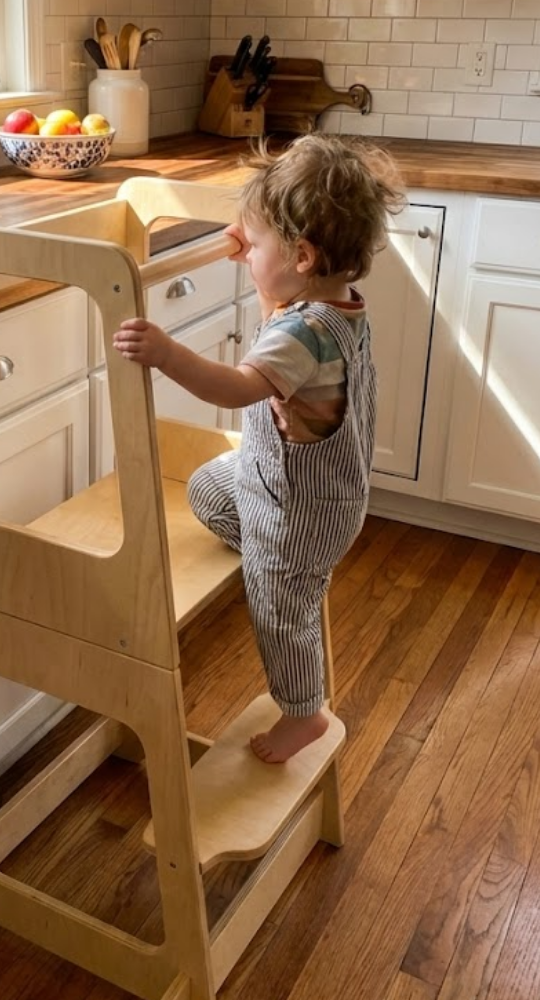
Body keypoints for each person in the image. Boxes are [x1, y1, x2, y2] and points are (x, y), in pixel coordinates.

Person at [112, 133, 405, 763]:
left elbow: (238, 386)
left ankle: (302, 713)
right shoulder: (333, 306)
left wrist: (166, 353)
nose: (245, 252)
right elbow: (278, 310)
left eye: (258, 243)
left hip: (302, 506)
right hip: (287, 484)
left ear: (301, 255)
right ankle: (283, 561)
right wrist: (260, 263)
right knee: (205, 489)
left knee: (276, 607)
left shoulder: (303, 331)